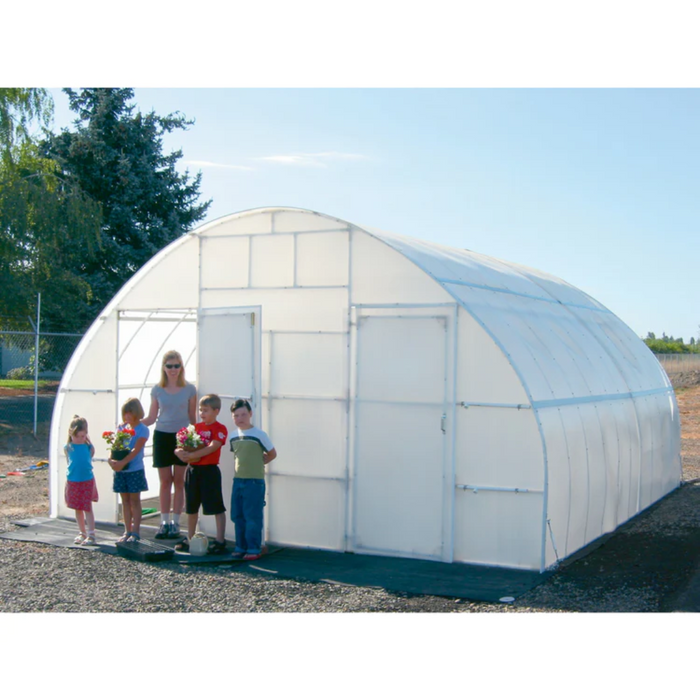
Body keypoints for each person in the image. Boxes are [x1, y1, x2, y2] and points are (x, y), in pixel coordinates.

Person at [143, 350, 197, 539]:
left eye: (176, 365)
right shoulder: (157, 389)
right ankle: (164, 522)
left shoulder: (190, 389)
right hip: (162, 436)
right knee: (165, 481)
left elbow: (192, 417)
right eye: (169, 366)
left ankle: (176, 522)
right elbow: (151, 417)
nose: (173, 370)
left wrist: (201, 435)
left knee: (179, 481)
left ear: (181, 367)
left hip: (182, 437)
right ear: (164, 368)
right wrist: (131, 425)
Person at [173, 394, 228, 555]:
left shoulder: (219, 428)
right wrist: (181, 453)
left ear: (216, 411)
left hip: (209, 471)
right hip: (193, 470)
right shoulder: (195, 428)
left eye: (206, 410)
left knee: (216, 506)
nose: (202, 413)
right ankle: (190, 538)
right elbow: (179, 445)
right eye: (200, 410)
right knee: (191, 507)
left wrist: (192, 455)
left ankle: (220, 540)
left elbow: (213, 446)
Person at [229, 399, 277, 561]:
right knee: (238, 515)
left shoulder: (259, 434)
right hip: (238, 481)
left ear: (250, 414)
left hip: (254, 482)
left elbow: (272, 453)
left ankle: (254, 548)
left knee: (252, 516)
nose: (240, 418)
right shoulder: (233, 435)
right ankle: (240, 546)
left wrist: (259, 463)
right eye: (236, 415)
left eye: (243, 414)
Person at [109, 398, 149, 543]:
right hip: (121, 471)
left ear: (136, 413)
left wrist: (122, 462)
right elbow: (114, 447)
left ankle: (136, 532)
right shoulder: (121, 428)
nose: (127, 417)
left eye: (129, 413)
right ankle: (127, 531)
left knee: (135, 501)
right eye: (125, 413)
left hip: (134, 469)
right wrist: (112, 461)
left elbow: (136, 449)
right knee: (125, 501)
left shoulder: (142, 429)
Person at [64, 416, 99, 546]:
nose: (80, 439)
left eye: (83, 436)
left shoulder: (89, 447)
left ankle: (91, 533)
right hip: (73, 481)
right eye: (77, 436)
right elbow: (70, 461)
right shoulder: (68, 447)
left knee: (87, 507)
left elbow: (88, 459)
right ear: (71, 434)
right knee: (77, 508)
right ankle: (82, 532)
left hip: (87, 480)